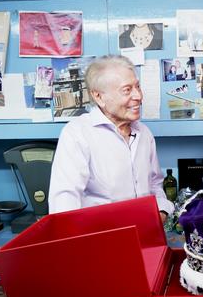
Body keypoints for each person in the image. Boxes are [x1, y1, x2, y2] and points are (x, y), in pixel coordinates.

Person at [49, 55, 173, 223]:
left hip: (146, 233)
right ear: (99, 96)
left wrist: (162, 210)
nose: (138, 96)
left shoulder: (144, 133)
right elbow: (64, 201)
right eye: (127, 90)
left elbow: (155, 183)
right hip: (101, 239)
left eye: (138, 87)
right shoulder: (78, 133)